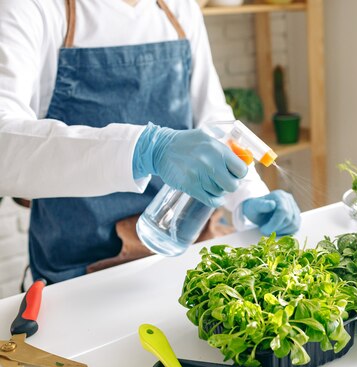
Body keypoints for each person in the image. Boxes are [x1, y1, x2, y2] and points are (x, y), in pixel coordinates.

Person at [0, 0, 301, 284]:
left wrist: (247, 196)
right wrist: (146, 149)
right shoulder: (34, 8)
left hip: (183, 253)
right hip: (79, 272)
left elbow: (213, 119)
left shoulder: (178, 8)